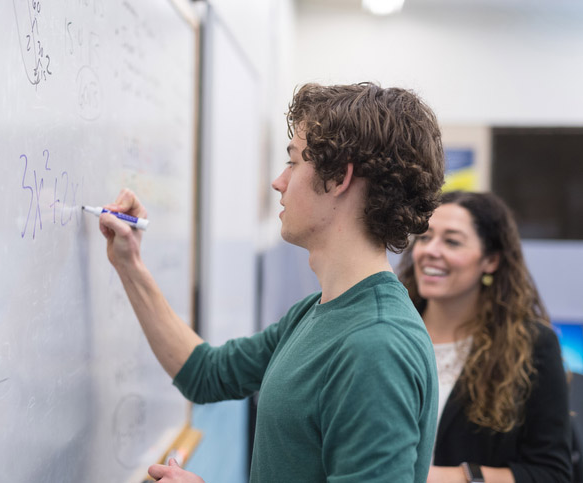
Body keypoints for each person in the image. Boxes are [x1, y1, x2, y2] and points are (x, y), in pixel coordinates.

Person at [97, 82, 446, 482]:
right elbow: (206, 373)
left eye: (294, 162)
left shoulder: (376, 346)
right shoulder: (317, 312)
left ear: (339, 179)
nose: (279, 181)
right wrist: (130, 264)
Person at [396, 191, 573, 483]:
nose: (431, 250)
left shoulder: (530, 344)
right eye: (425, 237)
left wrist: (446, 478)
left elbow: (552, 473)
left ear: (490, 260)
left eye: (452, 241)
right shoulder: (391, 331)